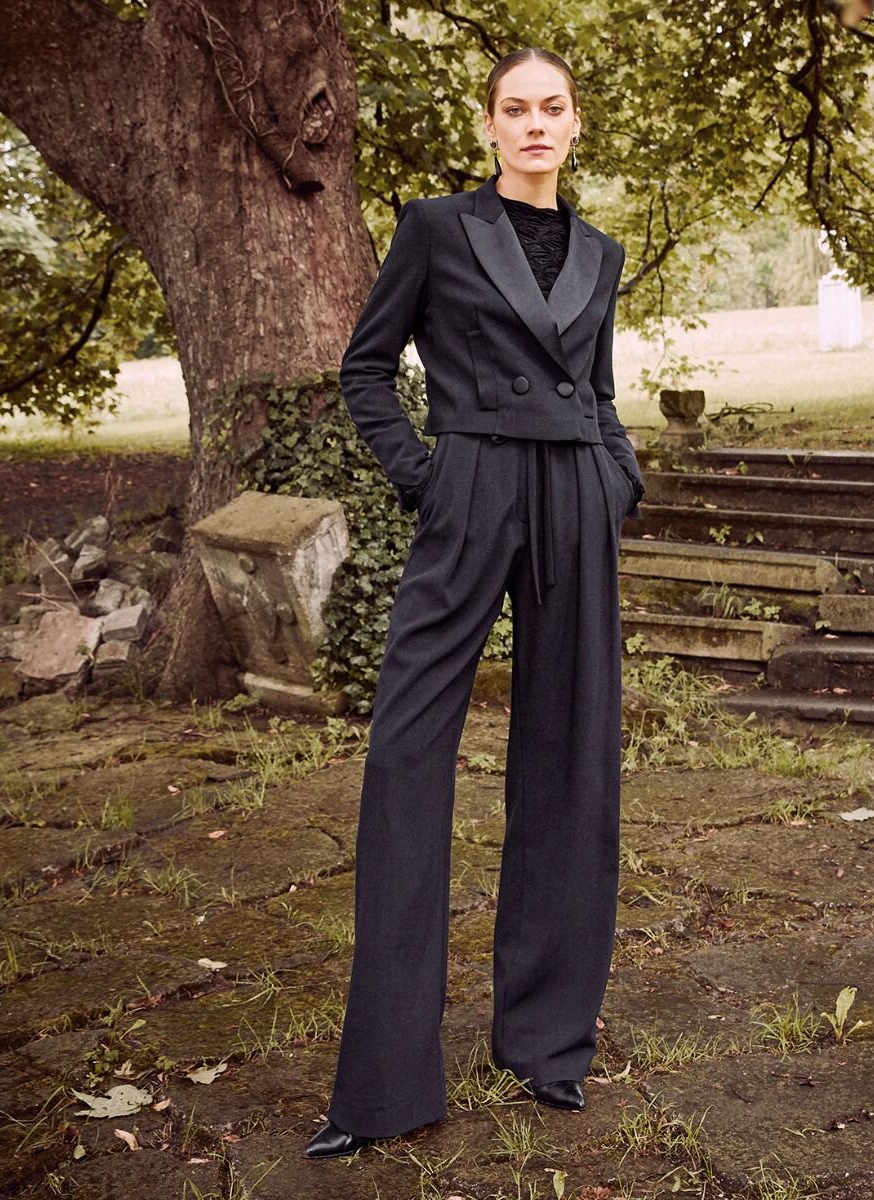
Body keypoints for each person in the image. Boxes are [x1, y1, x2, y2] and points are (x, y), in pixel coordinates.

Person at [304, 45, 645, 1161]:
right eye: (515, 108)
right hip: (470, 487)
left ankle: (544, 1045)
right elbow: (366, 368)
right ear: (489, 124)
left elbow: (597, 391)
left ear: (575, 123)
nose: (534, 123)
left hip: (575, 496)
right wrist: (426, 474)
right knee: (407, 754)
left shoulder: (600, 252)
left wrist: (618, 480)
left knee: (571, 754)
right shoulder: (436, 228)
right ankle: (386, 1083)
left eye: (553, 107)